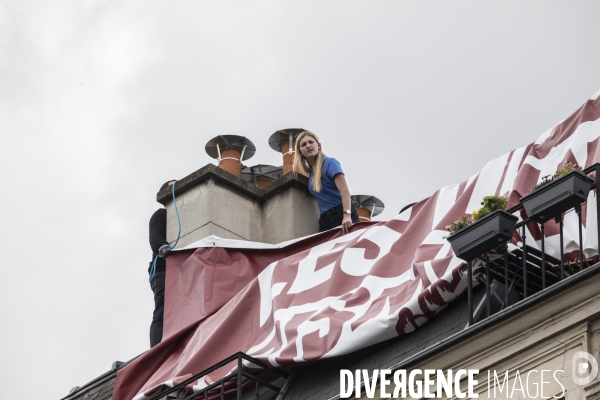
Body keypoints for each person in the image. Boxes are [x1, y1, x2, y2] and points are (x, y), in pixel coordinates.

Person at [293, 130, 359, 234]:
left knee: (349, 248)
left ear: (318, 145)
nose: (308, 145)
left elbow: (344, 190)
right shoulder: (310, 174)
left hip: (341, 212)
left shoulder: (330, 163)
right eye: (303, 144)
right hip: (325, 220)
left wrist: (347, 215)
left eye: (311, 142)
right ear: (300, 151)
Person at [148, 179, 175, 348]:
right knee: (162, 310)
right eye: (173, 186)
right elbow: (155, 237)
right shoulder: (161, 214)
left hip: (177, 270)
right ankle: (156, 348)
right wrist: (163, 247)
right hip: (162, 270)